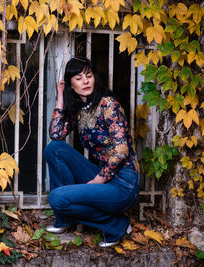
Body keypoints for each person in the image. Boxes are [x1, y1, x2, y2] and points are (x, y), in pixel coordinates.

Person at [44, 56, 140, 247]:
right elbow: (56, 134)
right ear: (71, 84)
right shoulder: (80, 109)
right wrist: (60, 96)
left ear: (94, 78)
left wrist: (100, 179)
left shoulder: (108, 104)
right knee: (54, 149)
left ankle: (116, 224)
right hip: (103, 176)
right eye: (78, 78)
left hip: (123, 183)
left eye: (88, 76)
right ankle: (64, 220)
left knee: (56, 198)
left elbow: (121, 150)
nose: (85, 81)